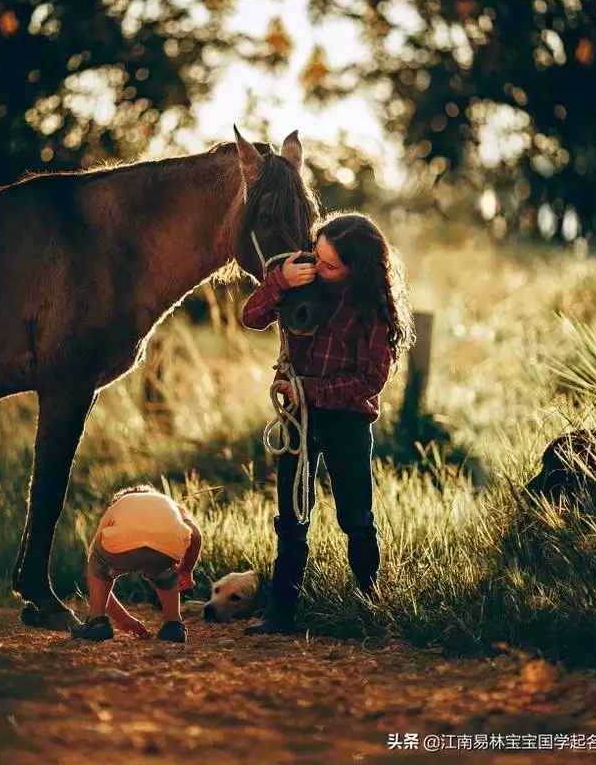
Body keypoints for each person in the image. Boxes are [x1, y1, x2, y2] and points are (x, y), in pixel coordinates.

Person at [241, 212, 414, 635]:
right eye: (316, 256)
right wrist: (280, 281)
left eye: (330, 265)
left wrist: (309, 391)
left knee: (355, 516)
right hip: (298, 418)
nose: (318, 268)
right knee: (291, 514)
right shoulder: (303, 282)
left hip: (347, 421)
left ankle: (370, 606)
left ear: (356, 270)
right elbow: (251, 317)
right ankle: (280, 612)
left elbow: (370, 381)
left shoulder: (372, 310)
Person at [72, 484, 202, 643]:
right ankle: (173, 626)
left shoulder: (118, 506)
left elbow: (96, 580)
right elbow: (195, 535)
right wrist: (186, 570)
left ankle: (96, 622)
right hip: (164, 548)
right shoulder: (169, 504)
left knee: (98, 567)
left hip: (120, 543)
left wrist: (125, 621)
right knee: (166, 571)